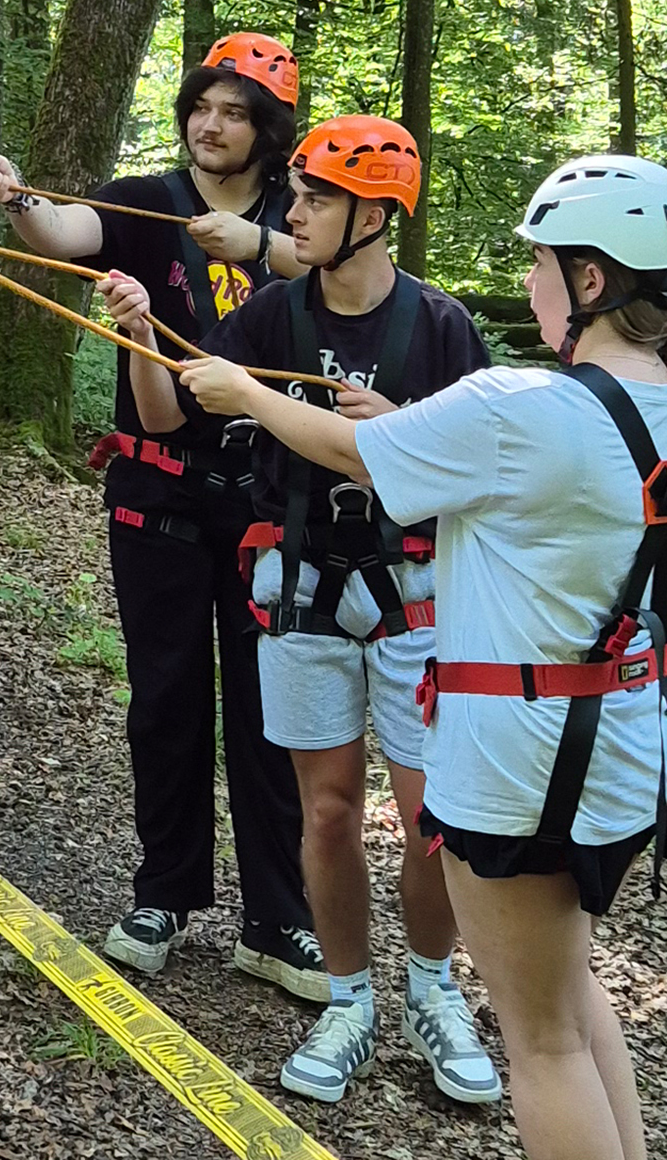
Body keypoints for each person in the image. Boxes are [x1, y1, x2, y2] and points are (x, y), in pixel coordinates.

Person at [181, 153, 667, 1160]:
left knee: (541, 1040)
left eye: (542, 263)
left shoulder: (521, 405)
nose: (528, 279)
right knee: (569, 994)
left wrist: (245, 395)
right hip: (635, 748)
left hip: (523, 758)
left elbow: (353, 455)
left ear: (592, 281)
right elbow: (489, 481)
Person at [113, 114, 499, 1107]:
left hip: (413, 594)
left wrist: (407, 437)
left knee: (431, 821)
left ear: (375, 215)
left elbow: (490, 480)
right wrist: (139, 335)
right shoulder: (269, 320)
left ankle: (429, 986)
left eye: (317, 198)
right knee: (324, 813)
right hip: (299, 587)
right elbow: (169, 415)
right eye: (296, 193)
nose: (292, 212)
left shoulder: (441, 329)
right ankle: (347, 996)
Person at [0, 34, 325, 1002]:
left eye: (234, 112)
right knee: (164, 696)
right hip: (158, 485)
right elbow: (70, 232)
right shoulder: (148, 199)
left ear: (267, 131)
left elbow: (342, 274)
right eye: (202, 106)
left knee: (266, 710)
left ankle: (278, 916)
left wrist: (255, 245)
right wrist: (12, 195)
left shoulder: (301, 219)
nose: (211, 125)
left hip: (267, 497)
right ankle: (164, 890)